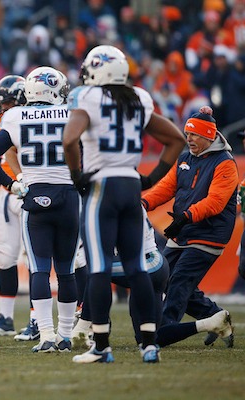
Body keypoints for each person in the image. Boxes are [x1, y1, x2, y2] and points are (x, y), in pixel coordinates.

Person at [62, 45, 186, 363]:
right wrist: (151, 178)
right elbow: (176, 139)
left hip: (101, 185)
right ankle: (149, 344)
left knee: (99, 267)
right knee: (137, 268)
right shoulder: (139, 97)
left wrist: (77, 175)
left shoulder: (85, 97)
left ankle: (102, 346)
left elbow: (69, 139)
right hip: (130, 185)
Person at [0, 66, 79, 353]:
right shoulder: (72, 113)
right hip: (69, 195)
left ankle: (46, 335)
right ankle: (65, 335)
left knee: (39, 270)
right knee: (67, 271)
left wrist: (12, 184)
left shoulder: (13, 116)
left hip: (35, 194)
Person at [141, 106, 237, 348]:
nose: (189, 139)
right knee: (161, 277)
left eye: (194, 134)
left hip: (209, 235)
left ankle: (164, 331)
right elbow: (166, 188)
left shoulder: (225, 163)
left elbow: (215, 202)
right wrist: (143, 202)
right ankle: (215, 317)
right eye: (187, 133)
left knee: (179, 281)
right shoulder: (184, 158)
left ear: (208, 135)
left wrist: (185, 217)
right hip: (183, 231)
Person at [72, 207, 234, 349]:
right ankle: (212, 323)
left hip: (148, 264)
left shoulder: (115, 201)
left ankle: (83, 328)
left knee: (98, 270)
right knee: (149, 338)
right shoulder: (120, 197)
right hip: (151, 268)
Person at [0, 74, 36, 338]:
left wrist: (20, 179)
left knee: (35, 259)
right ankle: (6, 317)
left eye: (8, 102)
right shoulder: (6, 120)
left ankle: (38, 319)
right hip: (11, 194)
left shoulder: (35, 120)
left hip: (32, 192)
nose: (2, 108)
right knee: (6, 257)